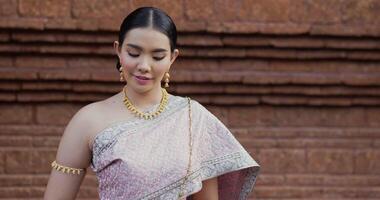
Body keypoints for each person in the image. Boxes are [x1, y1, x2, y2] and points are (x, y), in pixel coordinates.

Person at [44, 6, 260, 200]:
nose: (144, 65)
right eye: (134, 53)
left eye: (157, 57)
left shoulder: (192, 118)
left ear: (172, 58)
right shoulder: (88, 121)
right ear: (118, 50)